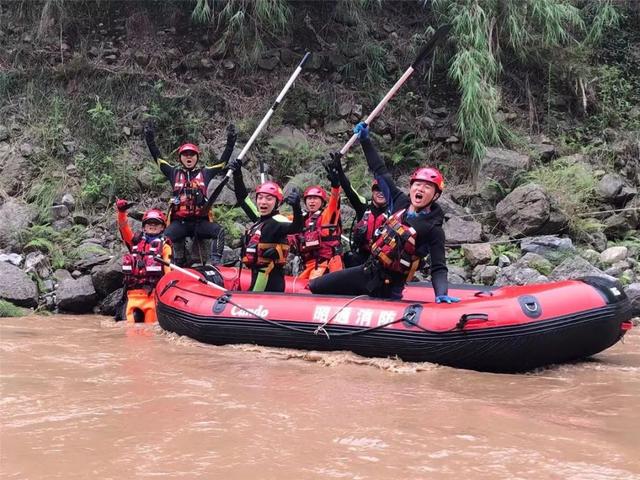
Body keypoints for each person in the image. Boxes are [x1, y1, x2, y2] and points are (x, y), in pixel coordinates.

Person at [310, 122, 460, 303]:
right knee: (316, 286)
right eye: (417, 185)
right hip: (367, 271)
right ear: (411, 187)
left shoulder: (433, 229)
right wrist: (365, 141)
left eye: (427, 187)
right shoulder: (400, 202)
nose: (420, 189)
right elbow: (379, 170)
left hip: (390, 285)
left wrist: (441, 293)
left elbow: (438, 267)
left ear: (435, 195)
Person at [143, 123, 237, 265]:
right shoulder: (173, 173)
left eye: (192, 154)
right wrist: (149, 138)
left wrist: (231, 141)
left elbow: (222, 163)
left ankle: (216, 261)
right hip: (180, 224)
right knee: (163, 238)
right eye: (185, 154)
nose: (189, 157)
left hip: (200, 222)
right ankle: (160, 265)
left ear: (197, 157)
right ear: (180, 158)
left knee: (218, 231)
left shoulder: (205, 173)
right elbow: (158, 158)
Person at [228, 158, 304, 292]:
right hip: (256, 275)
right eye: (260, 198)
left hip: (269, 280)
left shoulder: (279, 221)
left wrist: (296, 207)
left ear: (277, 203)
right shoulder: (259, 219)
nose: (263, 202)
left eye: (269, 199)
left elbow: (296, 227)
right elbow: (242, 199)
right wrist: (237, 174)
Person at [323, 154, 390, 267]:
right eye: (377, 189)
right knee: (349, 258)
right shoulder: (363, 206)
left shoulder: (394, 211)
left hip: (382, 261)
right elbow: (349, 189)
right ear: (372, 192)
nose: (380, 193)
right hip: (360, 257)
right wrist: (339, 171)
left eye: (384, 190)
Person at [116, 200, 173, 323]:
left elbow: (168, 272)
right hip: (132, 296)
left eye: (156, 223)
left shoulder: (164, 246)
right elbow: (123, 227)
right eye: (149, 223)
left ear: (162, 227)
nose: (152, 225)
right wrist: (121, 212)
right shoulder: (134, 242)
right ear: (144, 227)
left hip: (152, 296)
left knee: (150, 332)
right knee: (130, 332)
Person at [290, 165, 344, 280]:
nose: (312, 201)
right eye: (309, 199)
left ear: (322, 202)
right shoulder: (302, 218)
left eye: (315, 198)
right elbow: (282, 222)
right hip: (307, 265)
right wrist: (295, 207)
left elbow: (334, 201)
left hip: (326, 265)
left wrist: (335, 186)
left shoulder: (328, 216)